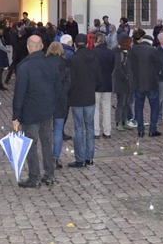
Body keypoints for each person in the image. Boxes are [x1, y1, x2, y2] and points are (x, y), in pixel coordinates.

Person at [12, 35, 61, 186]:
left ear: (28, 47)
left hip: (30, 112)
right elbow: (58, 87)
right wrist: (53, 104)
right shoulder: (52, 64)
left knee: (31, 145)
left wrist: (16, 116)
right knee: (47, 143)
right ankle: (49, 174)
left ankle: (34, 177)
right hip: (47, 110)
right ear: (40, 47)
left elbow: (19, 93)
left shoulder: (24, 67)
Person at [66, 34, 101, 167]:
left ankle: (80, 159)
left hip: (76, 98)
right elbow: (99, 80)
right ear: (87, 44)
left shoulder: (73, 59)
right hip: (89, 97)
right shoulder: (94, 58)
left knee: (79, 129)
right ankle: (89, 157)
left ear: (75, 44)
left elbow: (70, 80)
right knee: (90, 128)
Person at [129, 34, 162, 137]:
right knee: (154, 107)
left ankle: (140, 130)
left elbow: (130, 66)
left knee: (138, 107)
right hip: (151, 83)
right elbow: (158, 67)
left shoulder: (134, 49)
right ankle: (152, 129)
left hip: (138, 82)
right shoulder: (153, 50)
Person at [47, 42, 69, 169]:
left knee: (47, 131)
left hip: (47, 101)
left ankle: (48, 156)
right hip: (60, 102)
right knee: (58, 131)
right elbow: (67, 84)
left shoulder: (45, 63)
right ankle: (56, 157)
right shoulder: (65, 64)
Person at [93, 32, 115, 138]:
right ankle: (107, 131)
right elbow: (112, 68)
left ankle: (96, 131)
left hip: (95, 84)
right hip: (107, 82)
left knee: (95, 108)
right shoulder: (111, 53)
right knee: (106, 108)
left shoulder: (93, 53)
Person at [113, 33, 134, 131]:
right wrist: (125, 76)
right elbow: (117, 68)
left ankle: (124, 121)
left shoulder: (127, 51)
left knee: (127, 102)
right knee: (121, 103)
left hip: (128, 80)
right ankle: (118, 122)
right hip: (121, 81)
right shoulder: (118, 52)